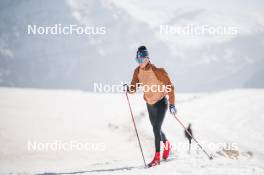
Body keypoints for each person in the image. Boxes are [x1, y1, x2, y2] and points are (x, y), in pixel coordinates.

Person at [128, 45, 177, 167]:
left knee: (155, 129)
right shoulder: (137, 71)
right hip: (149, 104)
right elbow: (133, 88)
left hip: (161, 103)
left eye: (141, 60)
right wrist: (128, 89)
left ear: (147, 59)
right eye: (137, 60)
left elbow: (171, 87)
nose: (139, 62)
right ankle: (167, 145)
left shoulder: (159, 71)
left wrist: (172, 104)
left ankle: (156, 158)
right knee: (158, 129)